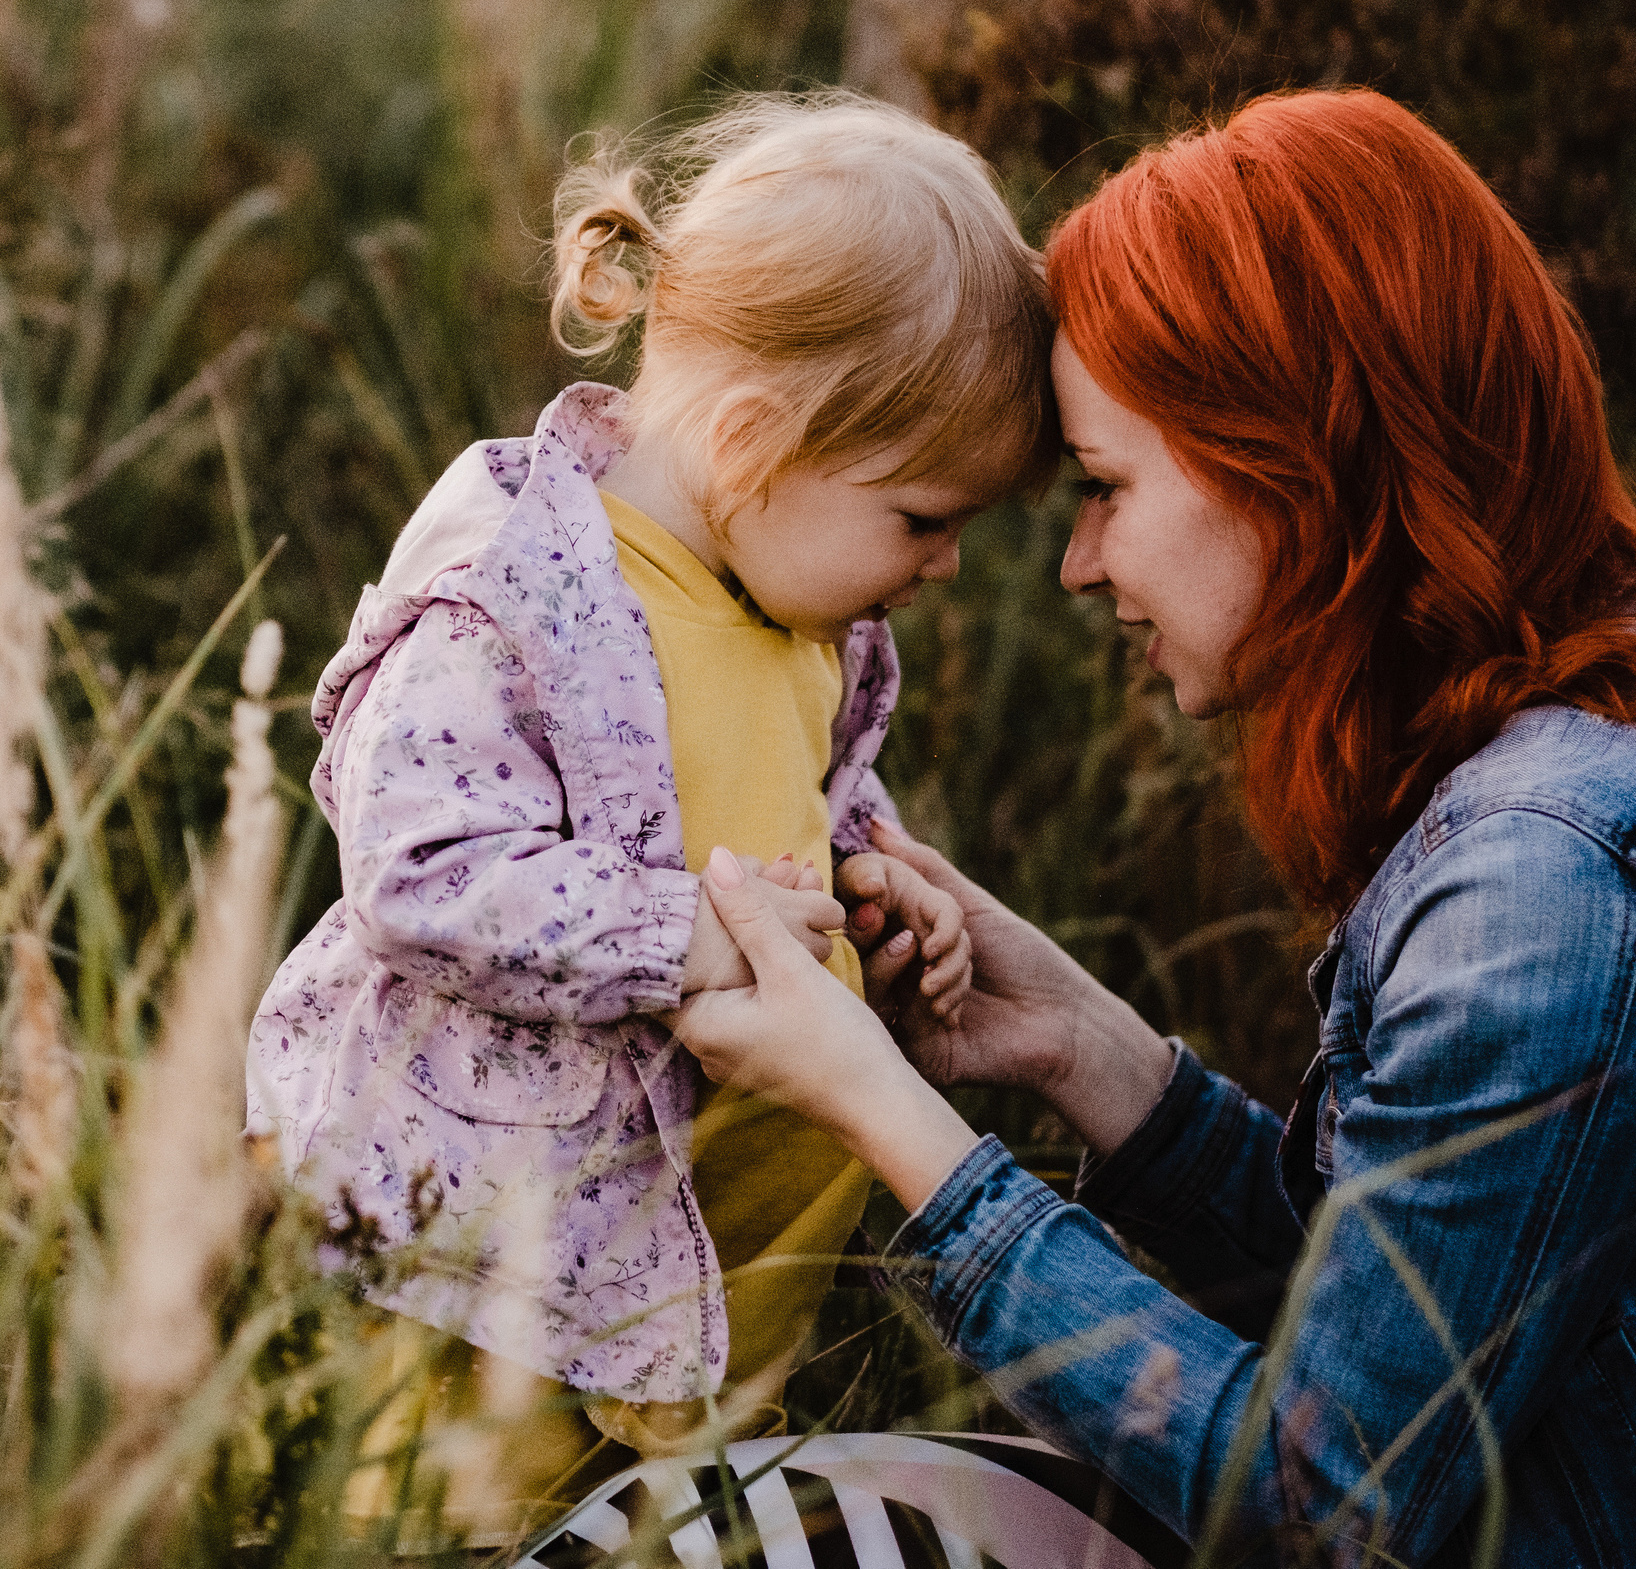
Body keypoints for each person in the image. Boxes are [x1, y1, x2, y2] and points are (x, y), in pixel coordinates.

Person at [668, 88, 1636, 1567]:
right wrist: (1074, 1040)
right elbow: (1392, 1336)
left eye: (1107, 488)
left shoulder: (1557, 875)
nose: (1075, 565)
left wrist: (890, 1119)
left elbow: (1325, 1510)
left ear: (1291, 469)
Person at [245, 91, 1056, 1543]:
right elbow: (424, 873)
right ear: (754, 441)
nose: (944, 568)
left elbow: (788, 795)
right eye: (925, 517)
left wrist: (871, 873)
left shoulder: (805, 610)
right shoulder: (522, 594)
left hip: (707, 1285)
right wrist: (679, 935)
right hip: (495, 1285)